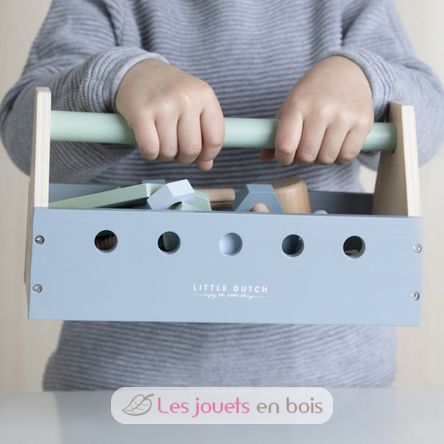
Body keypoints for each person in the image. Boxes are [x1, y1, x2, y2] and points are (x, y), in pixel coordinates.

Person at [1, 0, 444, 390]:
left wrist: (366, 80)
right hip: (122, 390)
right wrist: (117, 80)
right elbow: (24, 135)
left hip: (335, 389)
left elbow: (427, 127)